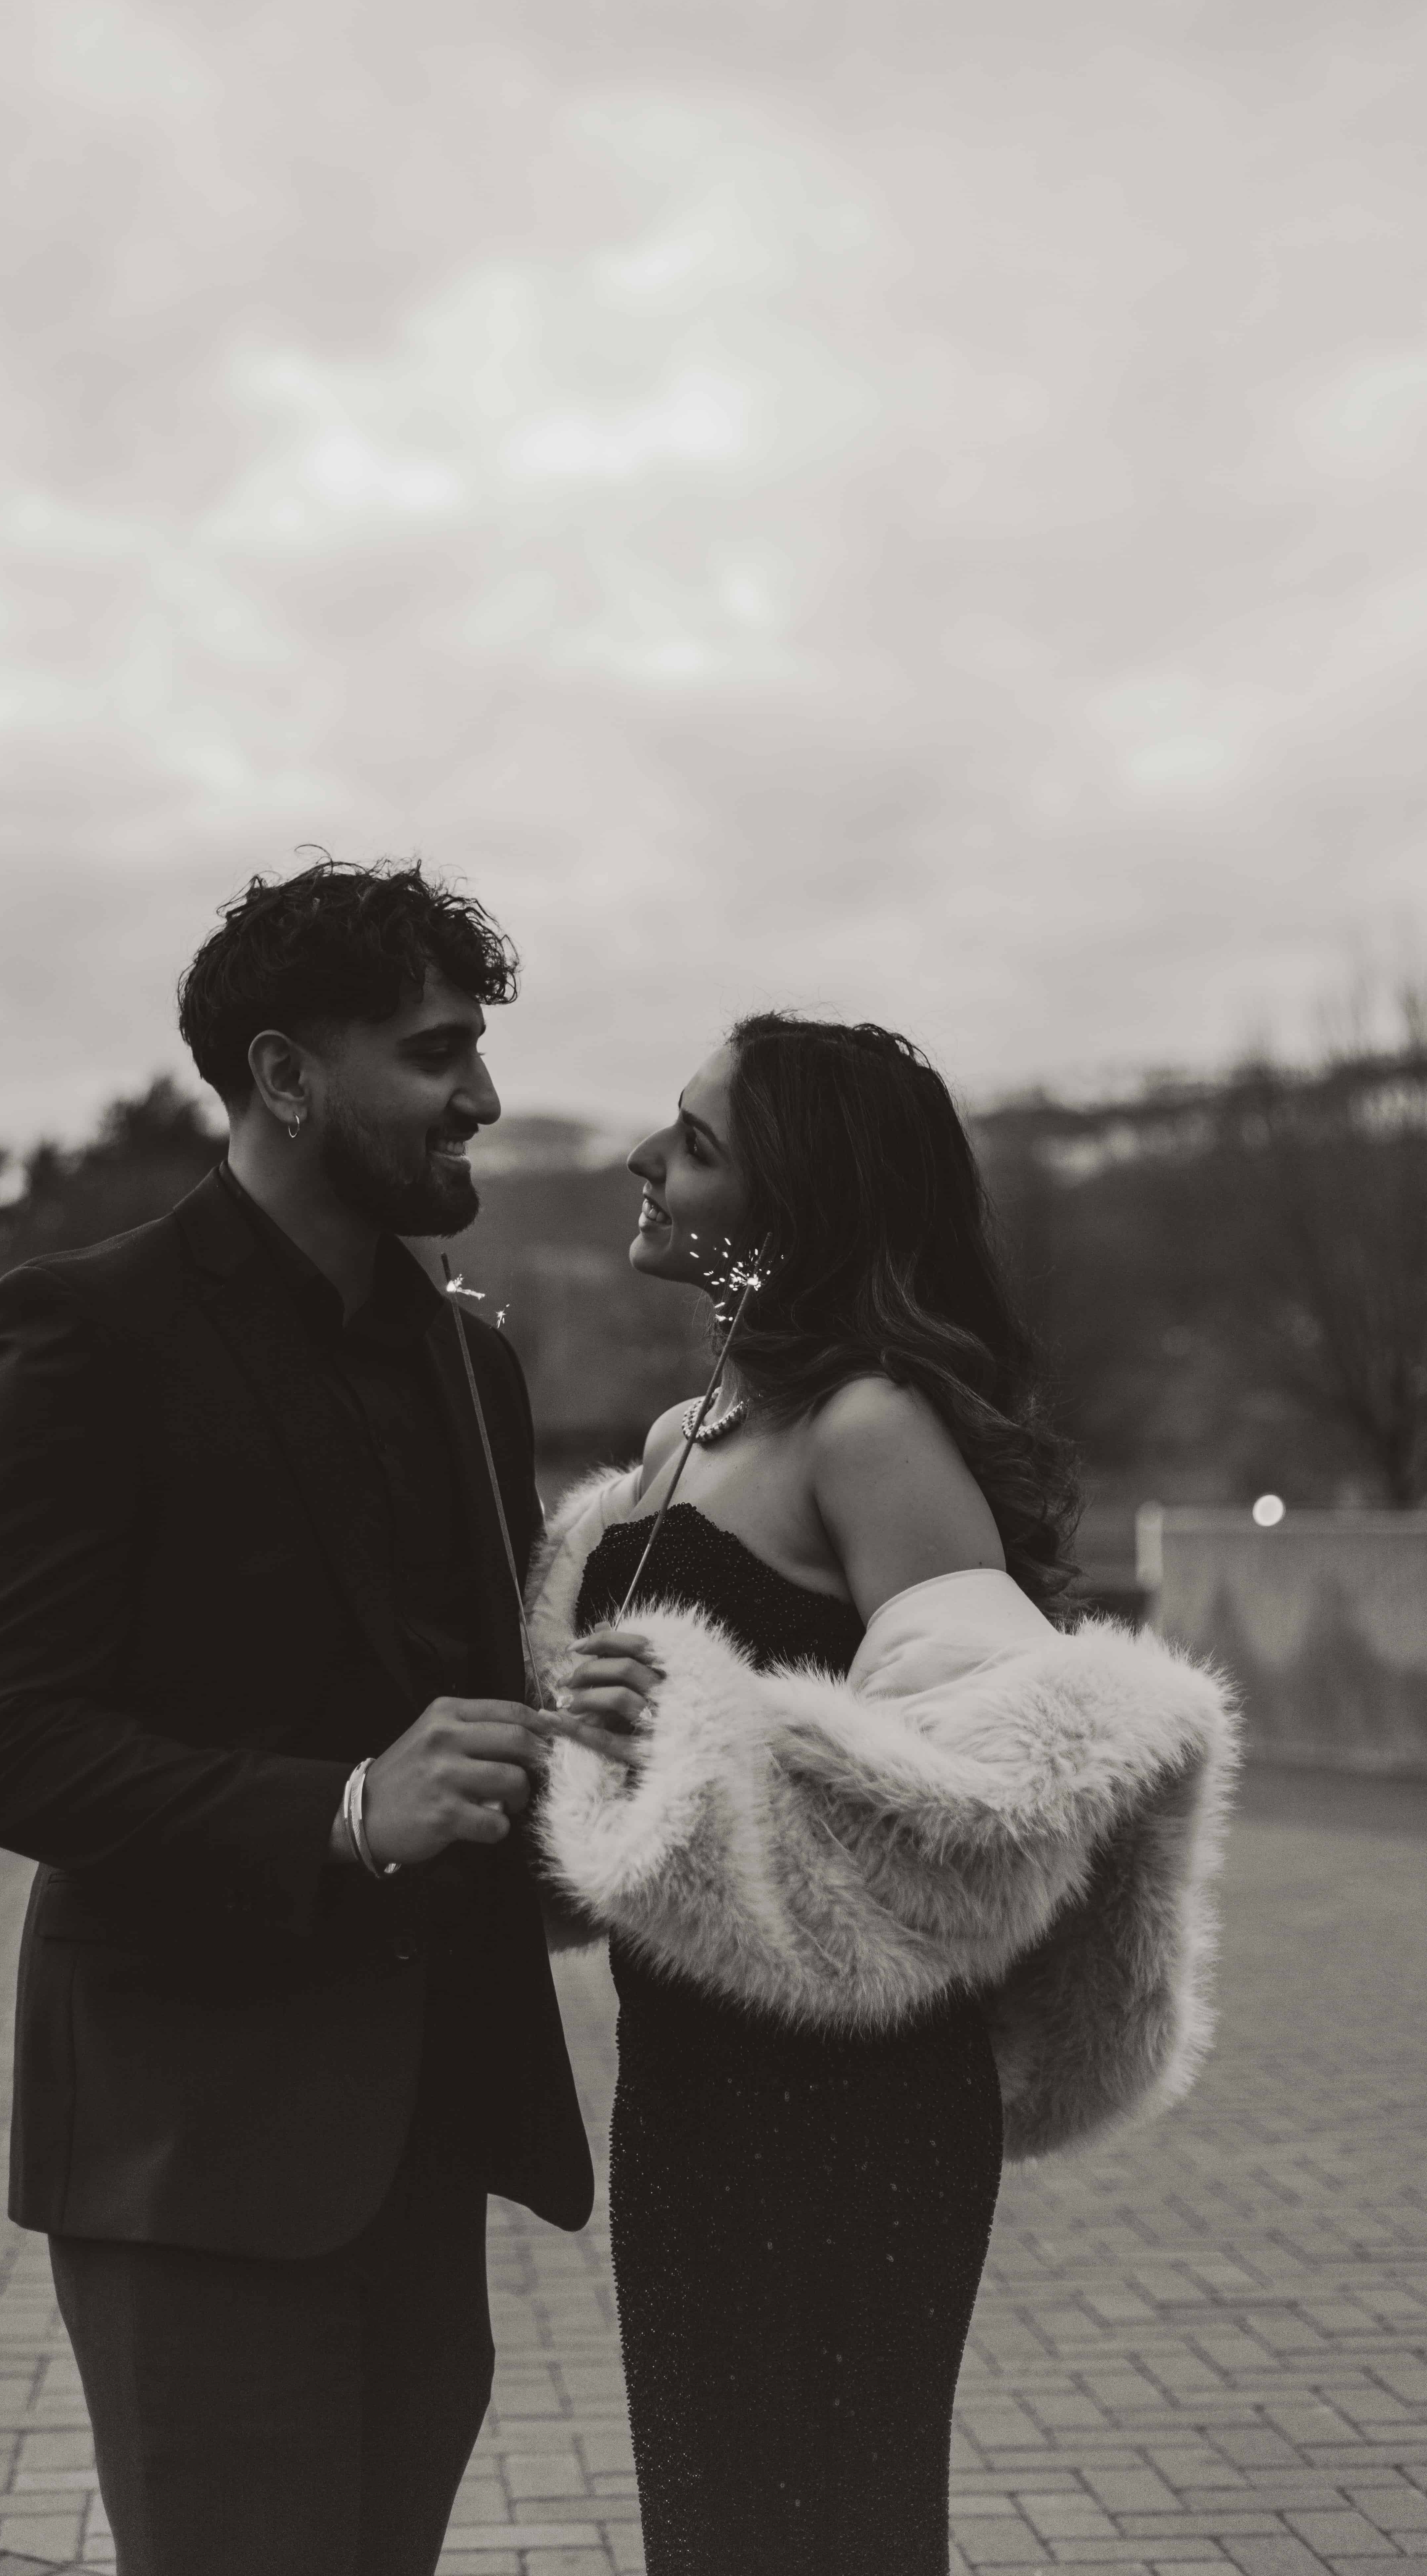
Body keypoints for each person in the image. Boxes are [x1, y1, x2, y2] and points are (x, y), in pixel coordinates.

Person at [0, 858, 593, 2576]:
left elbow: (471, 1695)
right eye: (436, 1053)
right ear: (287, 1077)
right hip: (192, 2156)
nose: (484, 1097)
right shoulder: (88, 1332)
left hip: (423, 2138)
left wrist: (590, 1729)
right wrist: (343, 1808)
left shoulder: (470, 1362)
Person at [528, 1013, 1238, 2576]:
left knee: (826, 2530)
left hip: (848, 2110)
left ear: (800, 1210)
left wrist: (716, 1731)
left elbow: (1003, 1780)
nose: (645, 1159)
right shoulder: (671, 1444)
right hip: (688, 2091)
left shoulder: (868, 1428)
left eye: (697, 1142)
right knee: (714, 2529)